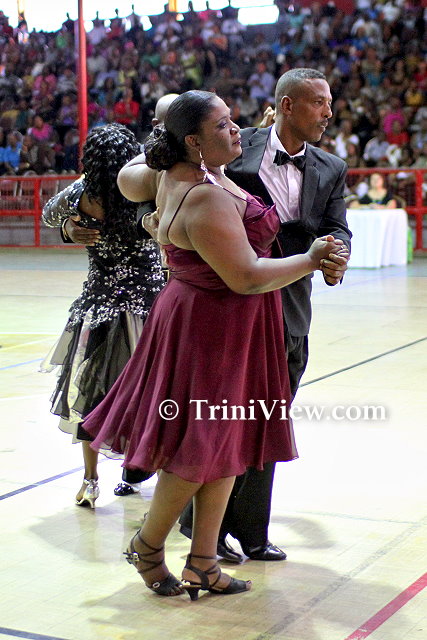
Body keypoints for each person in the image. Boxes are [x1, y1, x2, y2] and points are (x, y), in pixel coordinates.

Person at [82, 90, 343, 599]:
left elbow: (142, 184)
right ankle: (148, 545)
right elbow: (245, 276)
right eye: (222, 125)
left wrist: (157, 220)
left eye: (232, 120)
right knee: (199, 447)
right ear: (192, 142)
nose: (236, 129)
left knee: (228, 444)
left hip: (230, 322)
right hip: (211, 326)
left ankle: (203, 562)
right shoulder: (202, 193)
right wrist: (311, 260)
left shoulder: (202, 175)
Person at [179, 68, 351, 563]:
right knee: (220, 421)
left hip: (291, 309)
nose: (329, 112)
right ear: (288, 105)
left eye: (330, 102)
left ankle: (252, 532)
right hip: (231, 304)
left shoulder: (332, 167)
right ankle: (200, 527)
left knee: (269, 421)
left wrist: (337, 255)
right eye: (319, 102)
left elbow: (337, 226)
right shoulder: (234, 146)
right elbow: (169, 180)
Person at [40, 124, 165, 507]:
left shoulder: (81, 194)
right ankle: (154, 474)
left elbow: (48, 214)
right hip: (149, 304)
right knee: (155, 394)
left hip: (99, 306)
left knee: (91, 395)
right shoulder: (144, 192)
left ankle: (90, 480)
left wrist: (68, 226)